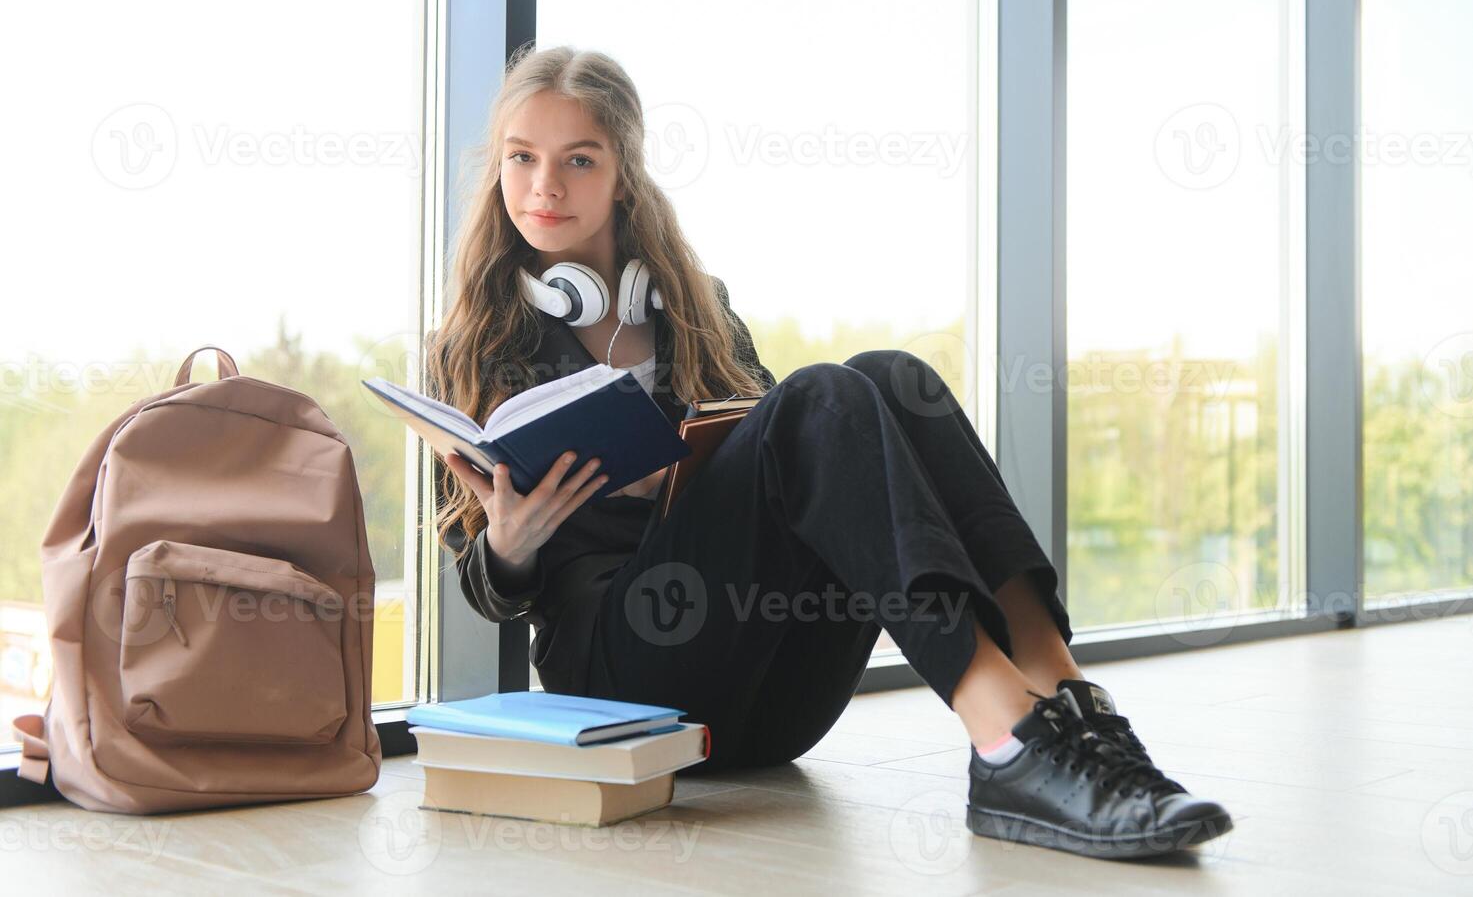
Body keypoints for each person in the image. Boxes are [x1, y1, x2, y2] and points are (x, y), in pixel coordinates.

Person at [424, 44, 1234, 861]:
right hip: (623, 693)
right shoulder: (469, 348)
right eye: (521, 158)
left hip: (773, 692)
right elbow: (483, 589)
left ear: (623, 174)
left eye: (578, 159)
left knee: (892, 376)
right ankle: (1007, 737)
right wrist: (510, 543)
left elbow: (803, 459)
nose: (544, 186)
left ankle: (1069, 704)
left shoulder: (698, 311)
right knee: (824, 393)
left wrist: (680, 472)